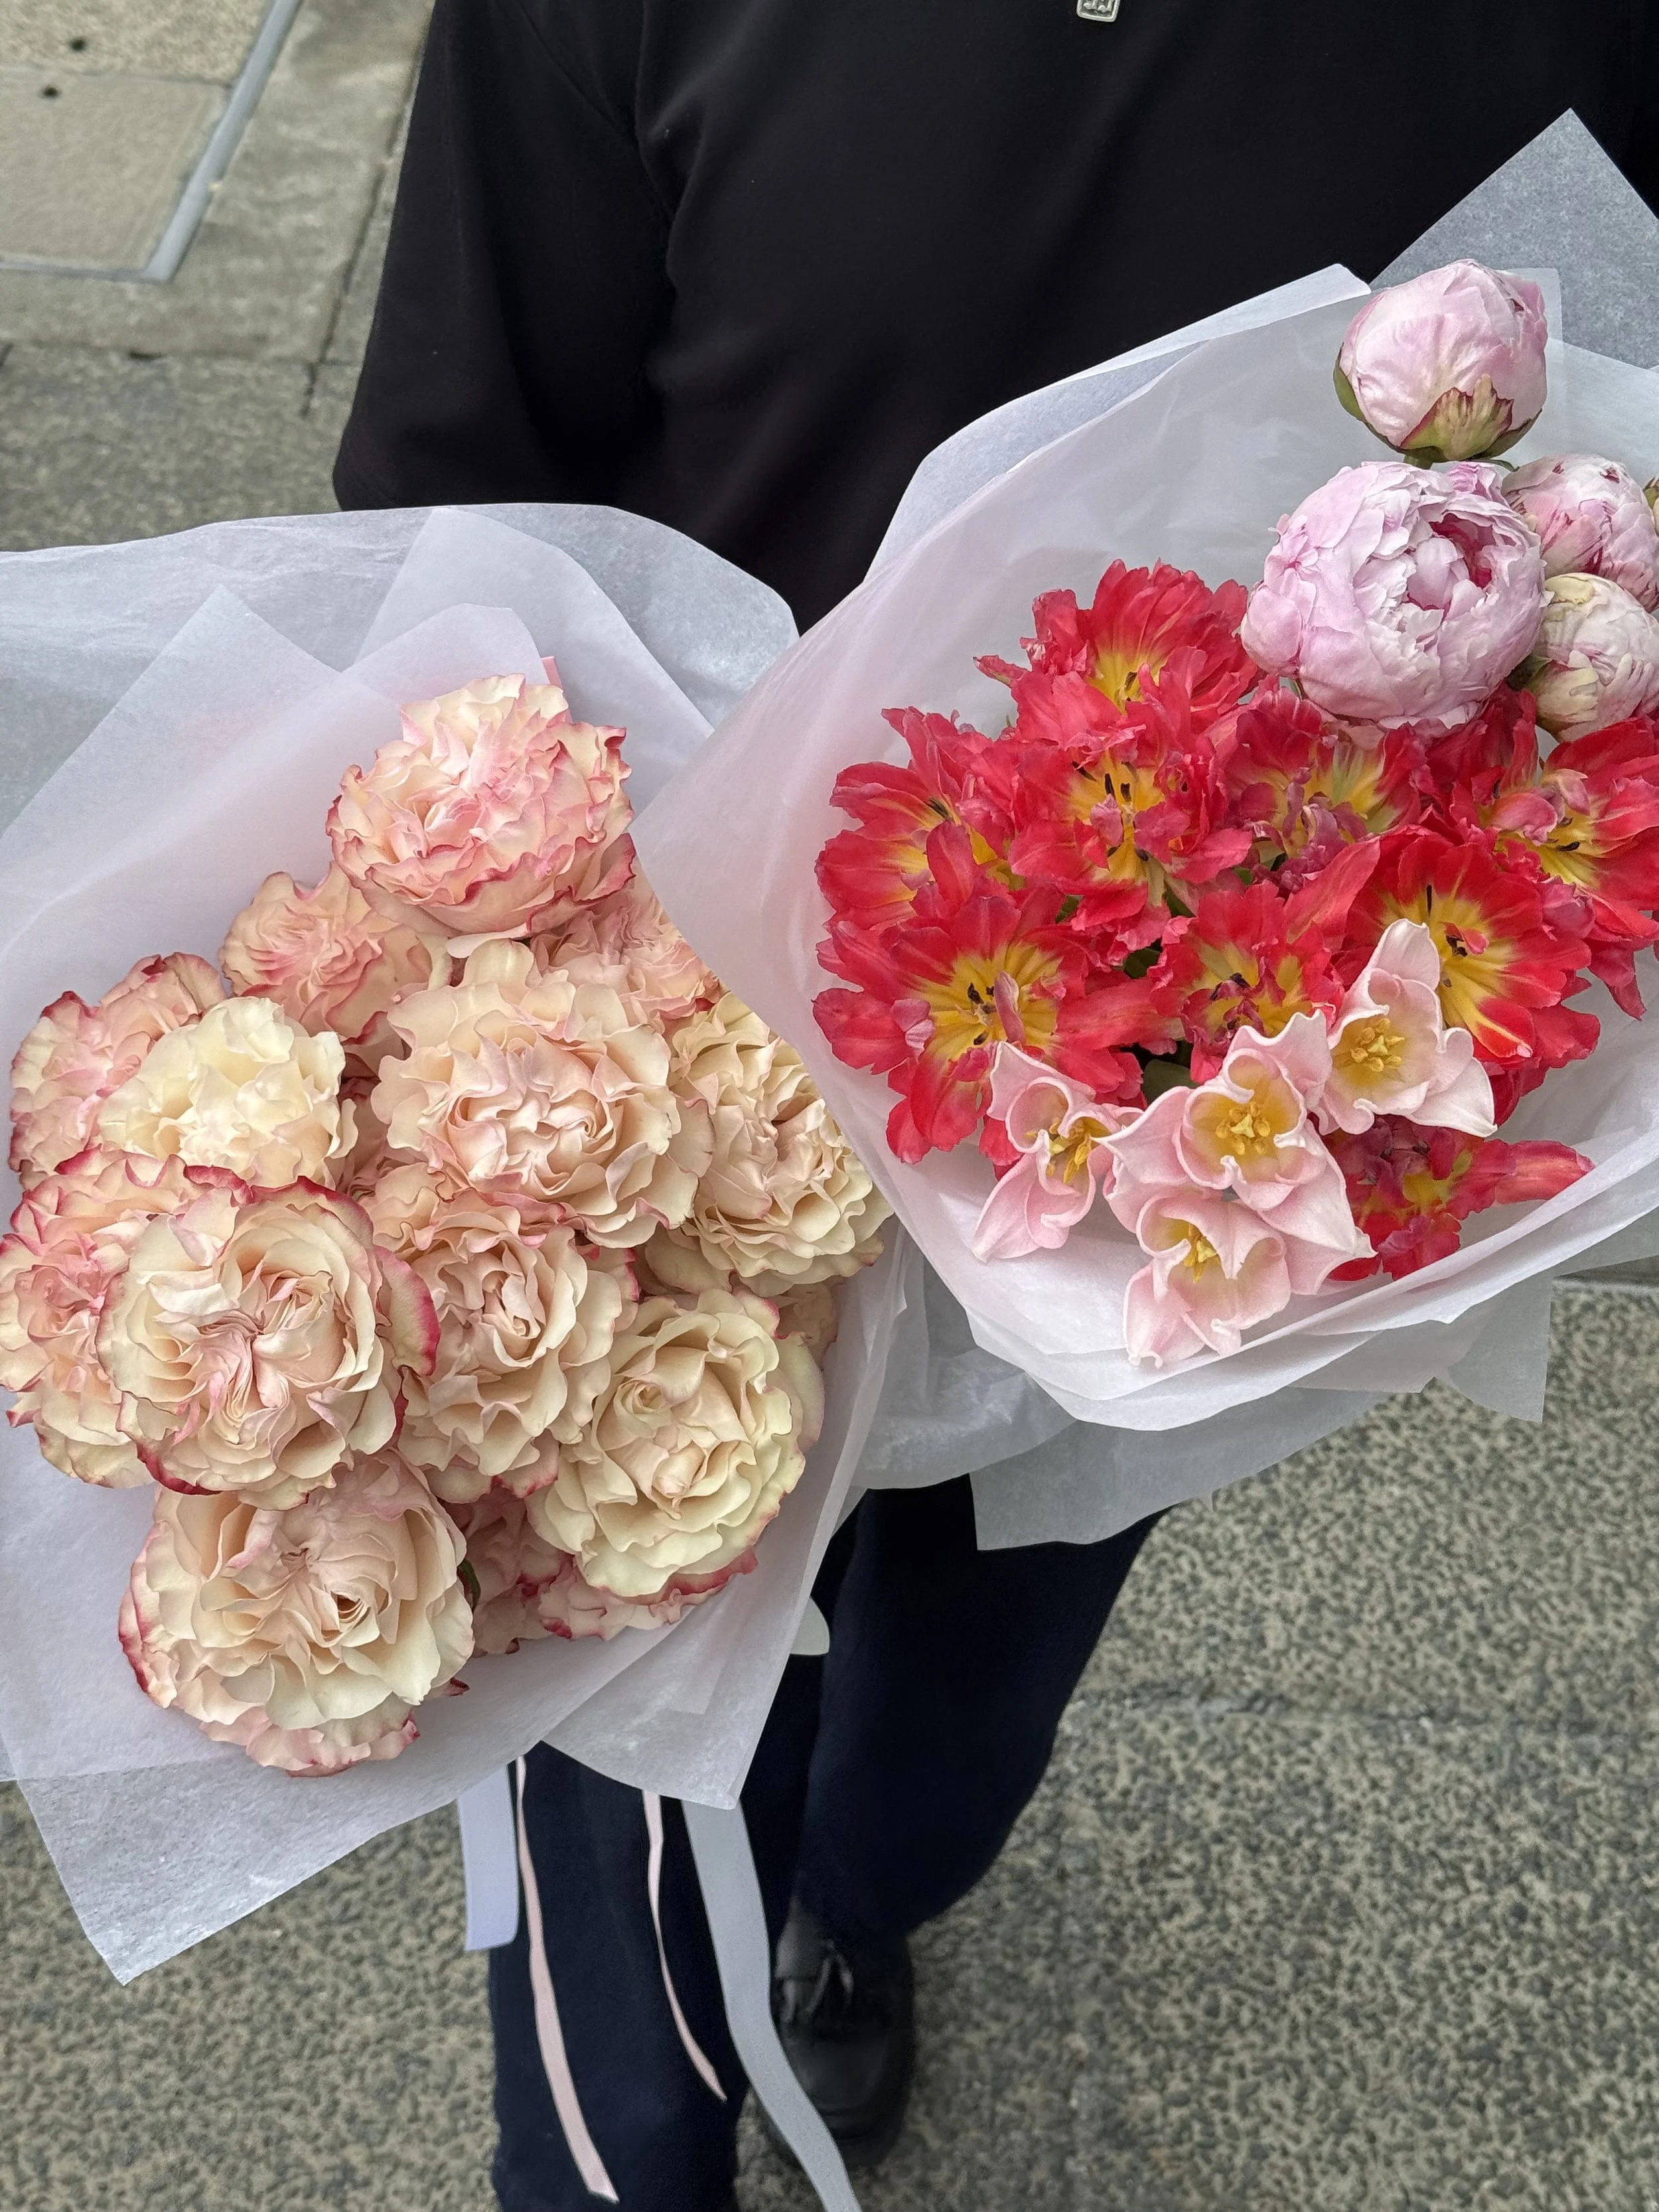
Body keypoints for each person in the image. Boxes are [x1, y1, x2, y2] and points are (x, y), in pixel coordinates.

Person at [335, 9, 1659, 2208]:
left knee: (964, 1695)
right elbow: (451, 476)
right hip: (668, 1099)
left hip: (1198, 1144)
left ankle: (866, 1889)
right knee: (632, 1783)